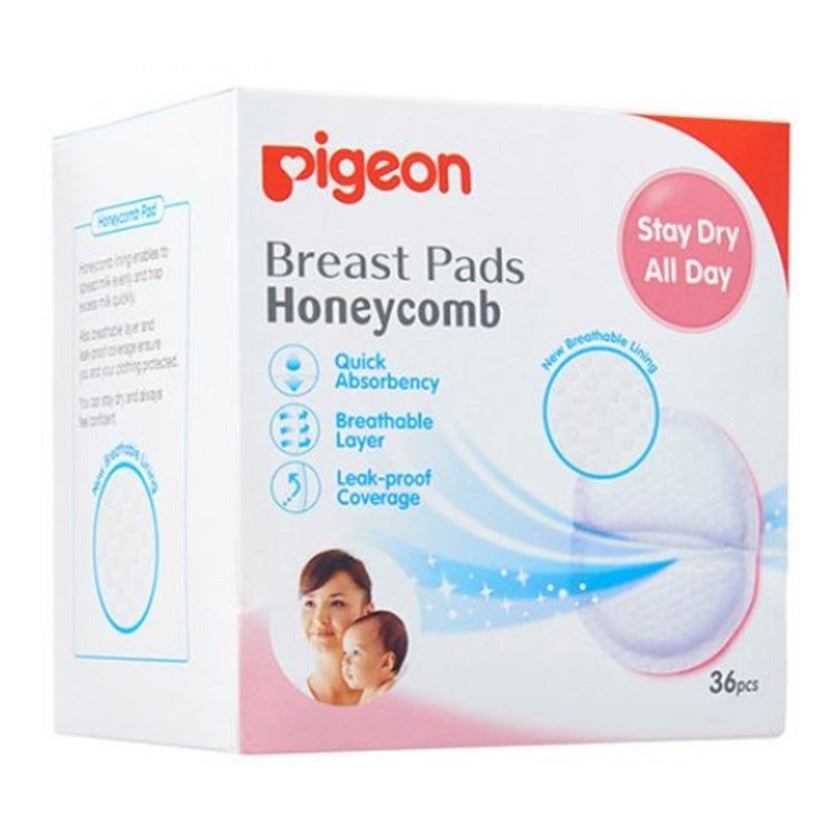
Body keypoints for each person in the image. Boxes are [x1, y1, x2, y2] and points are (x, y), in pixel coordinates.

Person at [299, 549, 373, 705]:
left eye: (337, 603)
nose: (319, 619)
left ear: (366, 613)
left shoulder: (391, 697)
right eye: (310, 603)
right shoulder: (284, 699)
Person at [341, 611, 409, 703]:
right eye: (345, 653)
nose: (345, 662)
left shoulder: (388, 692)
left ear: (386, 663)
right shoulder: (370, 689)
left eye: (356, 653)